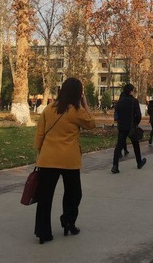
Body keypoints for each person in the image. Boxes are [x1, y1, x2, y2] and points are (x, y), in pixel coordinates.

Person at [33, 77, 95, 244]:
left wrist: (39, 152)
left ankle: (43, 232)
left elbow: (39, 134)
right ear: (77, 93)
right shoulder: (76, 111)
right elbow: (92, 124)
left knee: (45, 197)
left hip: (48, 158)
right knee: (74, 194)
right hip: (69, 160)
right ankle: (68, 221)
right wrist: (84, 103)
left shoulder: (48, 109)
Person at [111, 84, 146, 173]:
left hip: (122, 127)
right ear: (131, 91)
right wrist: (136, 124)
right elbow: (138, 115)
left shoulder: (120, 101)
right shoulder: (134, 101)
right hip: (131, 127)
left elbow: (117, 114)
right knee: (136, 144)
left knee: (119, 146)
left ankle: (115, 166)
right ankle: (139, 162)